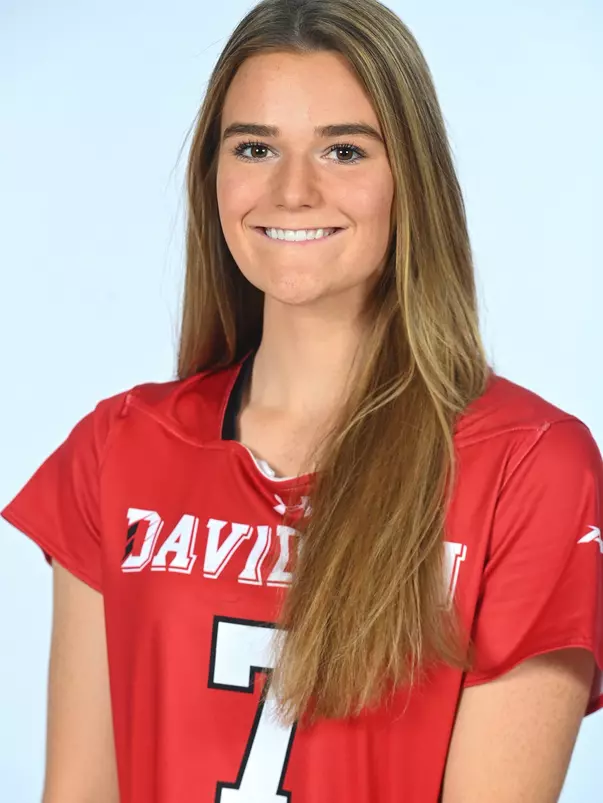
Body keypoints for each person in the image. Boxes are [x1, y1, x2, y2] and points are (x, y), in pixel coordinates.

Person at [2, 0, 602, 801]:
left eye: (343, 150)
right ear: (212, 176)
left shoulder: (528, 466)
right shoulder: (116, 447)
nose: (292, 191)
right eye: (254, 147)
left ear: (409, 180)